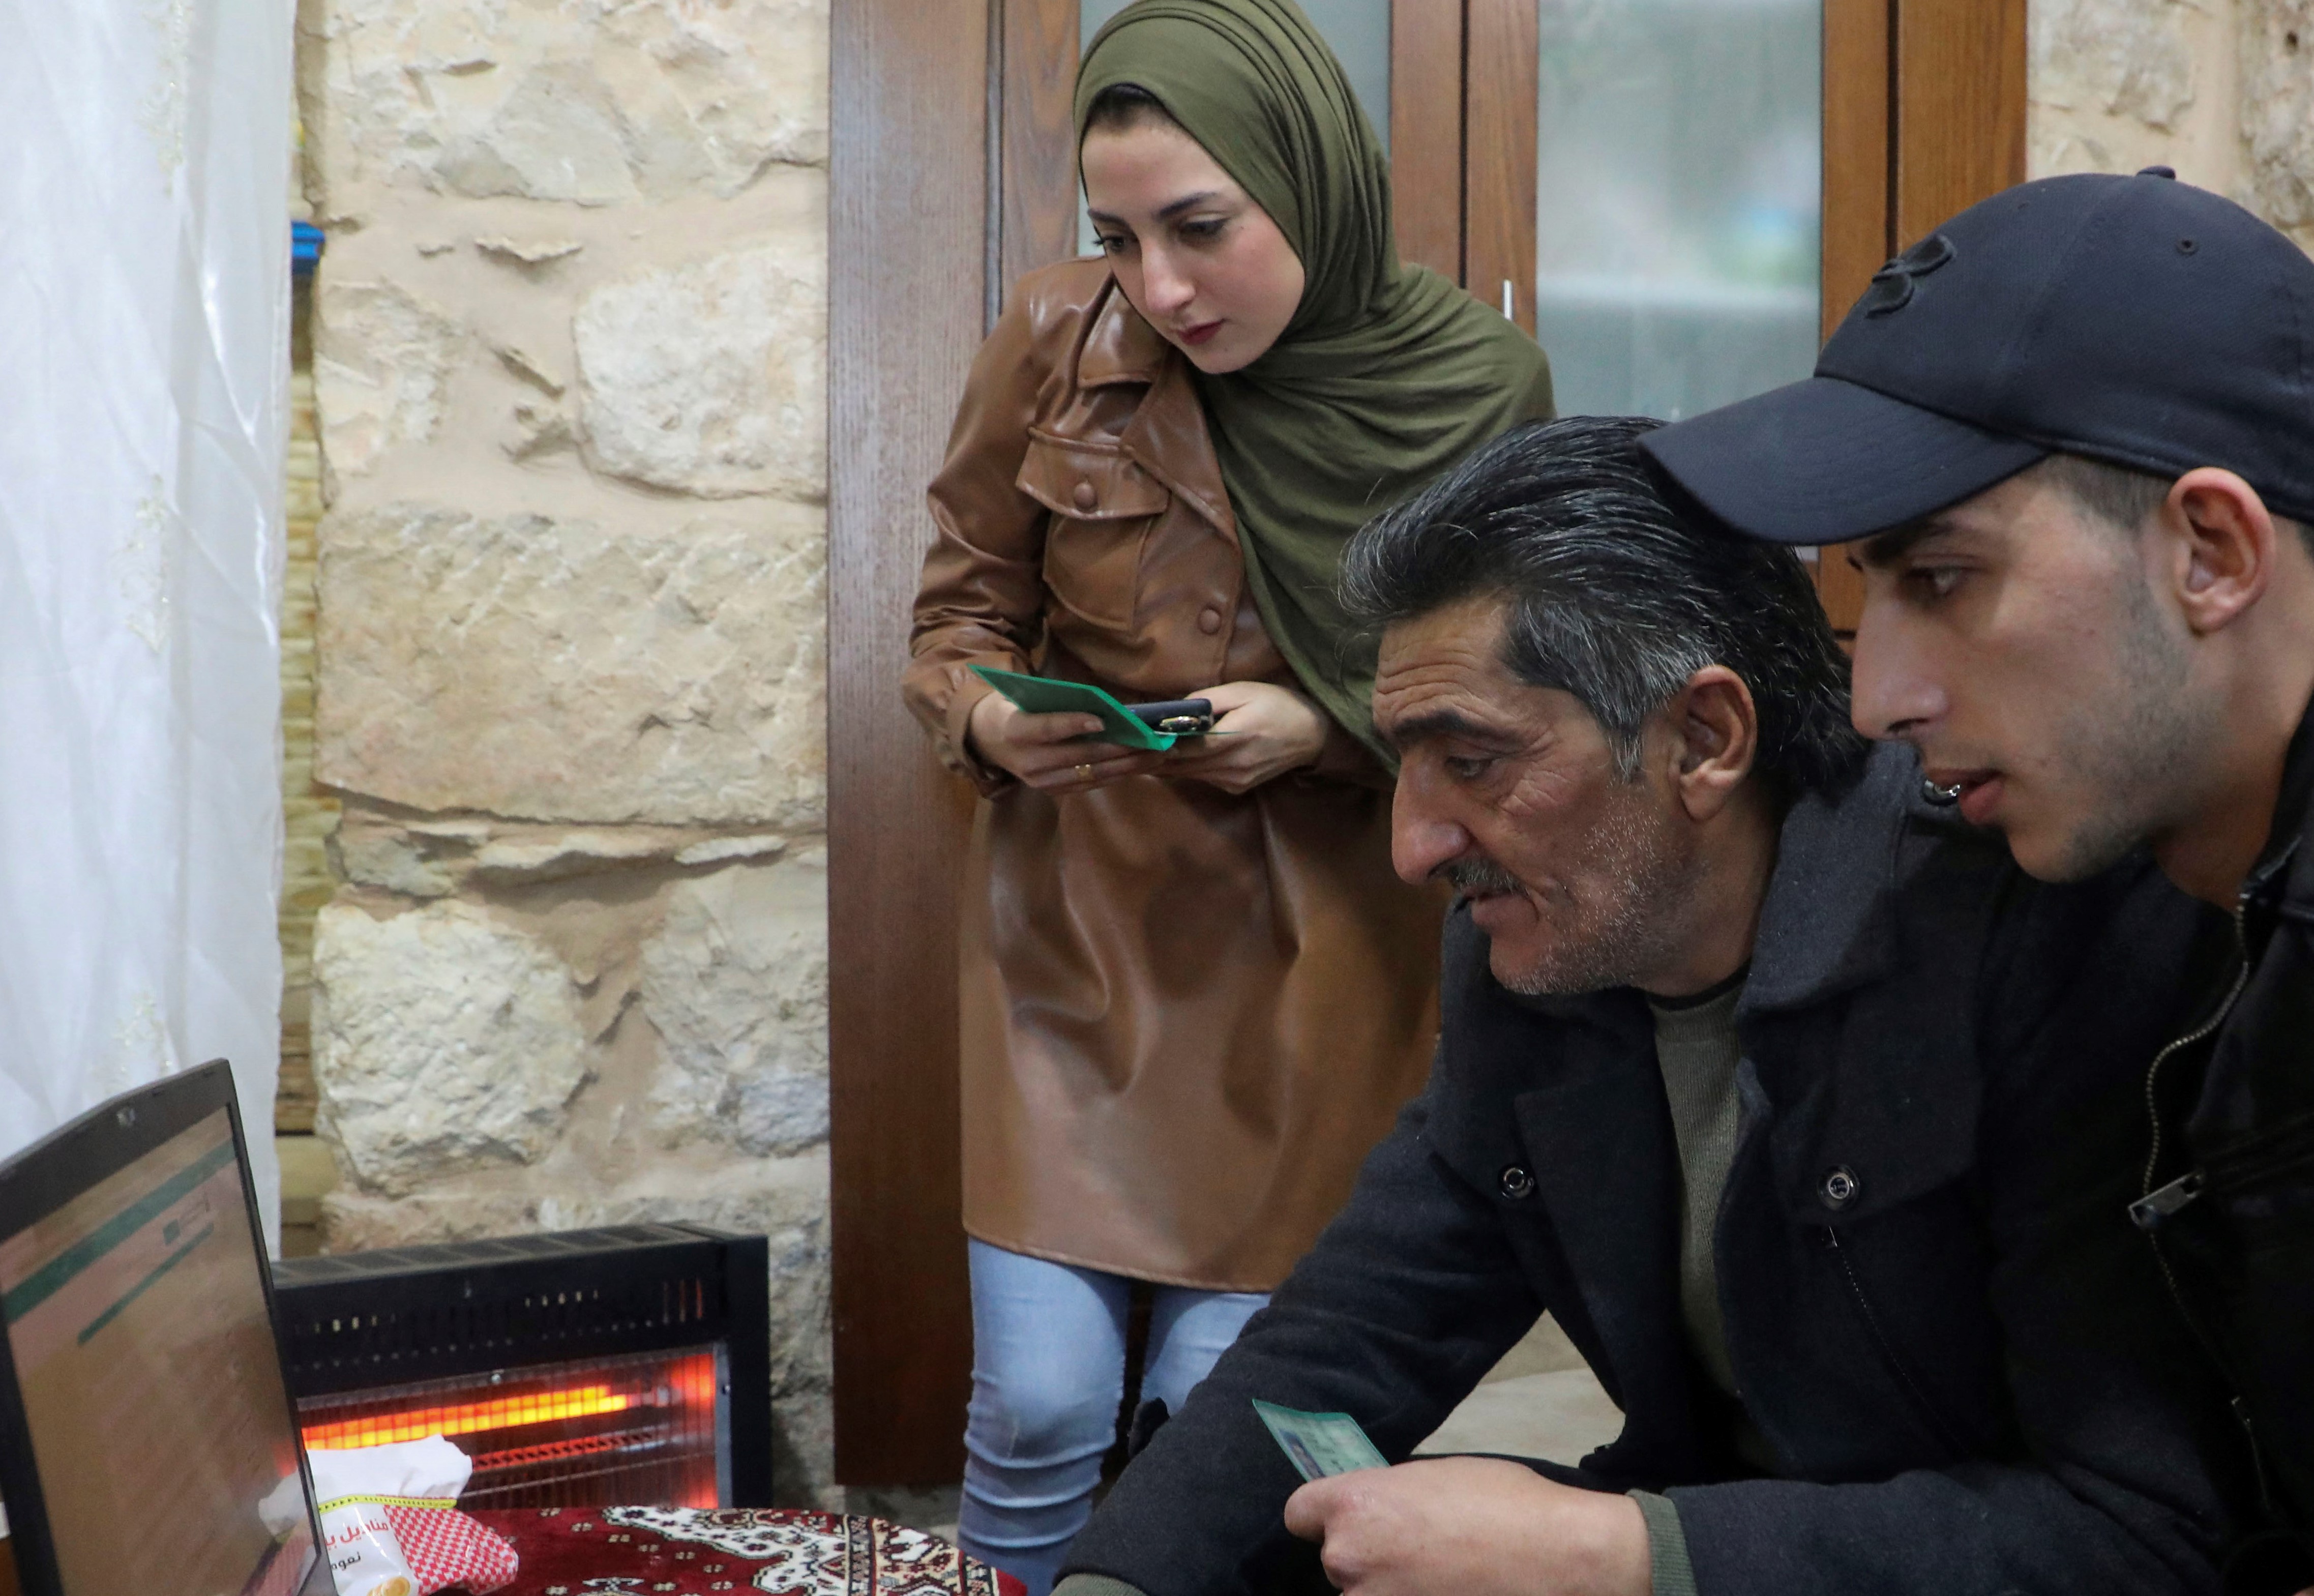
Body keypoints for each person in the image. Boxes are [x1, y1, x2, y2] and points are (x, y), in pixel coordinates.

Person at [1048, 417, 2243, 1596]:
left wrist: (1616, 1554)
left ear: (1703, 737)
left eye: (1472, 762)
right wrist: (1118, 1584)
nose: (1414, 848)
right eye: (1403, 765)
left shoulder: (2020, 927)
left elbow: (2139, 1532)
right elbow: (1357, 1331)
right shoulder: (1534, 954)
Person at [900, 3, 1553, 1588]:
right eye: (1117, 237)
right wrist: (988, 723)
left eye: (1200, 228)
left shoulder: (1476, 387)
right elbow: (954, 618)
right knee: (1041, 1401)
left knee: (1225, 1414)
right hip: (1076, 940)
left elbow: (1522, 707)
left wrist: (1324, 728)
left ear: (1307, 183)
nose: (1162, 288)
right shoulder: (1056, 341)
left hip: (1324, 967)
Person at [1640, 168, 2314, 1590]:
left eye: (1939, 579)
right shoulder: (2194, 908)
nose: (1874, 694)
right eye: (1864, 591)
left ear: (2210, 553)